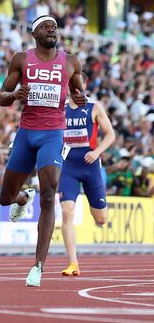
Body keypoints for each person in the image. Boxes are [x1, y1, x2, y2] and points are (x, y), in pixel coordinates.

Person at [0, 15, 86, 287]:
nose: (52, 30)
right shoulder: (21, 59)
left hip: (53, 134)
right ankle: (22, 199)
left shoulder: (71, 62)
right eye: (46, 27)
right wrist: (13, 96)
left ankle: (38, 266)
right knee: (5, 198)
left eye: (54, 27)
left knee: (49, 195)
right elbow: (1, 97)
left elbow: (80, 95)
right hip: (26, 134)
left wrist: (80, 98)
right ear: (34, 33)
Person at [59, 81, 114, 277]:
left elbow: (110, 134)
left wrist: (97, 152)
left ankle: (99, 209)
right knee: (67, 212)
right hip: (68, 167)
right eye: (71, 83)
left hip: (91, 166)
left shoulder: (94, 107)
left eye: (79, 83)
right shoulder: (60, 108)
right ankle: (73, 263)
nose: (75, 87)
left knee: (101, 218)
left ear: (84, 85)